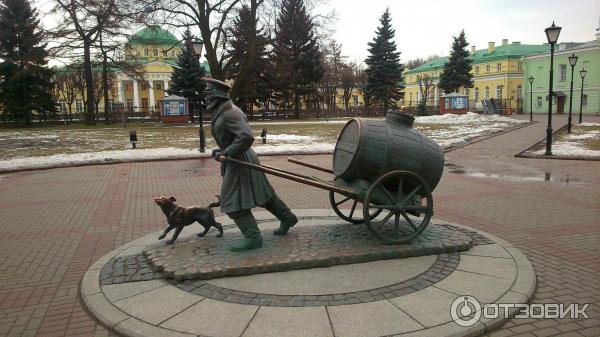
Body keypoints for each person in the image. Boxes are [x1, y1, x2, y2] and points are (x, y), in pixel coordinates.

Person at [206, 78, 298, 251]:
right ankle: (287, 218)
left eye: (208, 93)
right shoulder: (223, 110)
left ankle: (253, 237)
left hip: (240, 161)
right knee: (263, 194)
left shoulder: (229, 112)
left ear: (216, 95)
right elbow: (233, 137)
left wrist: (227, 152)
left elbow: (246, 137)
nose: (205, 96)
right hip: (241, 157)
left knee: (231, 201)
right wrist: (221, 149)